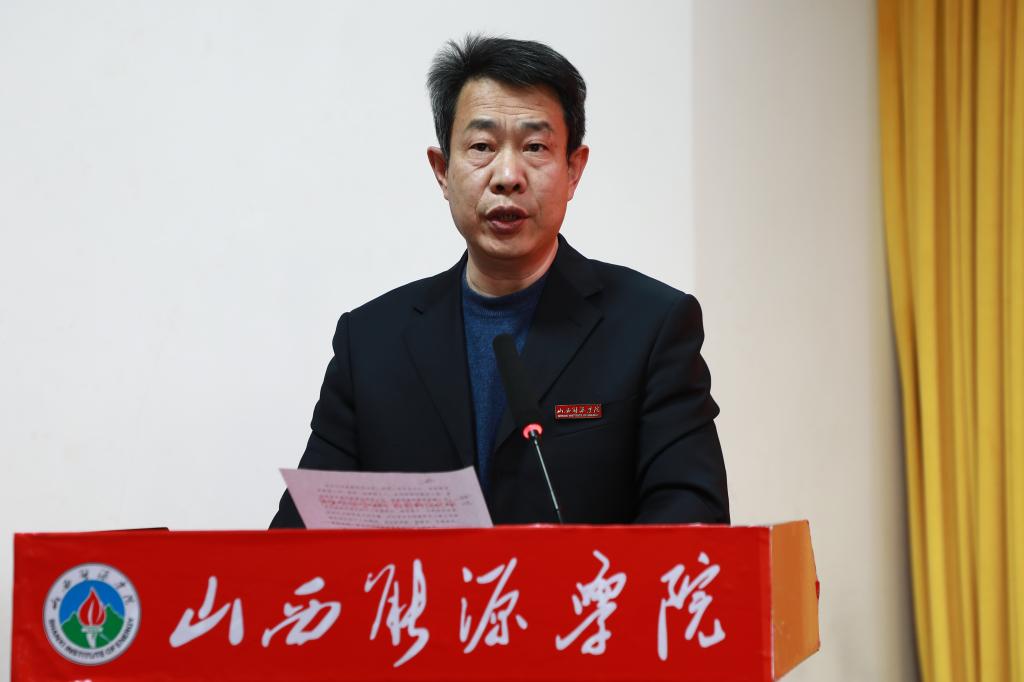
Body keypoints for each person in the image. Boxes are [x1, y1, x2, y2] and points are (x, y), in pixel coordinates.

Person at [270, 35, 728, 527]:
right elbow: (300, 539)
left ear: (574, 170)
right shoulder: (370, 343)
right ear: (442, 171)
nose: (508, 175)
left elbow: (693, 525)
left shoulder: (651, 327)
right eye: (482, 147)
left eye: (535, 147)